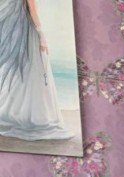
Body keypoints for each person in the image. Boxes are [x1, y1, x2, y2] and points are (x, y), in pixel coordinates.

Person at [0, 0, 72, 140]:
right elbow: (33, 10)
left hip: (20, 33)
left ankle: (20, 111)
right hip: (29, 32)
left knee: (25, 75)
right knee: (33, 72)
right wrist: (42, 36)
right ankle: (33, 114)